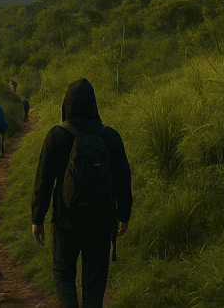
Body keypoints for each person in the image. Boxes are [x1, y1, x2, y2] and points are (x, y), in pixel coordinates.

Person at [30, 78, 132, 308]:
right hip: (101, 221)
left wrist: (37, 218)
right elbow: (123, 179)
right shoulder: (110, 137)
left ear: (67, 104)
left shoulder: (56, 136)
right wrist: (124, 214)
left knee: (64, 275)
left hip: (66, 222)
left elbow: (43, 181)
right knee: (94, 282)